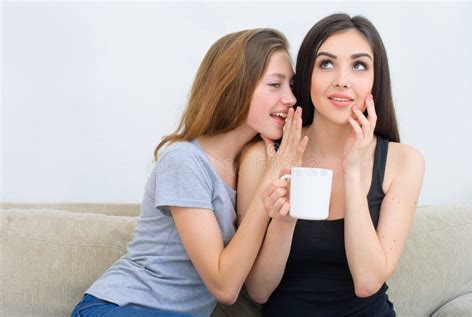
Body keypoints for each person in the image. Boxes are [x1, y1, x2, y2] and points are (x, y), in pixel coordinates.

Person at [71, 28, 308, 317]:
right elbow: (224, 287)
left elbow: (255, 287)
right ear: (235, 87)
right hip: (121, 308)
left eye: (291, 86)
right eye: (275, 85)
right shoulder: (183, 160)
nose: (291, 98)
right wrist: (268, 182)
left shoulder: (251, 166)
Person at [237, 14, 425, 316]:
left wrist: (352, 171)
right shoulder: (263, 158)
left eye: (359, 65)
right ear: (306, 75)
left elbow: (367, 282)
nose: (342, 80)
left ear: (376, 80)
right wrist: (284, 221)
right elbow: (259, 291)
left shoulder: (404, 162)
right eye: (326, 63)